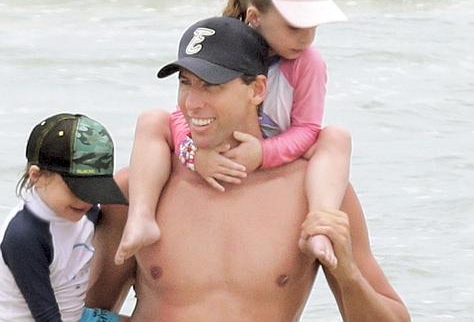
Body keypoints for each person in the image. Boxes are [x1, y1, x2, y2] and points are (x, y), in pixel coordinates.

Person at [89, 16, 409, 321]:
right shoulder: (139, 188)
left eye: (211, 86)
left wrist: (348, 274)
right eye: (186, 83)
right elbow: (91, 311)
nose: (191, 103)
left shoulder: (316, 192)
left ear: (257, 90)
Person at [115, 0, 352, 269]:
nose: (306, 38)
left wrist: (264, 154)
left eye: (313, 26)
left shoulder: (308, 63)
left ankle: (319, 225)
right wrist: (194, 155)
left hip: (273, 151)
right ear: (254, 16)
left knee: (336, 138)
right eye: (296, 26)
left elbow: (307, 129)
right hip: (216, 145)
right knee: (152, 121)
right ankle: (141, 217)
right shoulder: (221, 44)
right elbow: (184, 114)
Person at [0, 113, 129, 322]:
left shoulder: (82, 209)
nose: (86, 200)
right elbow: (46, 315)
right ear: (36, 176)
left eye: (93, 190)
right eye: (76, 189)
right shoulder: (24, 236)